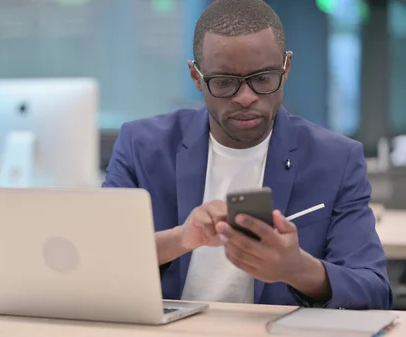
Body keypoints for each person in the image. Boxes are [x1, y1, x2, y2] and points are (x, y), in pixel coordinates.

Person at [102, 0, 393, 309]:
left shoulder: (336, 160)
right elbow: (98, 261)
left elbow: (374, 292)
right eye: (225, 82)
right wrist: (180, 240)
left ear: (286, 67)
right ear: (196, 76)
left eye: (263, 79)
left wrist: (298, 269)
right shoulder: (141, 147)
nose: (245, 97)